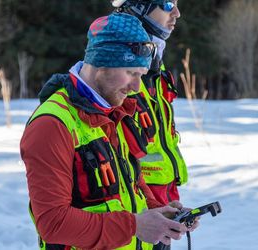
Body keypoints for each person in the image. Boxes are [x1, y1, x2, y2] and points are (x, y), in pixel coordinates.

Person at [20, 13, 193, 250]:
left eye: (141, 76)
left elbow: (132, 184)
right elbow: (53, 223)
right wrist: (134, 226)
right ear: (102, 62)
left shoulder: (115, 110)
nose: (136, 88)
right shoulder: (51, 125)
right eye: (131, 73)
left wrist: (157, 212)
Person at [111, 1, 189, 248]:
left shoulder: (156, 64)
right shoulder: (115, 67)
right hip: (132, 213)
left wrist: (165, 205)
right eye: (168, 4)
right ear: (138, 6)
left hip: (161, 205)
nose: (177, 13)